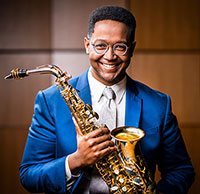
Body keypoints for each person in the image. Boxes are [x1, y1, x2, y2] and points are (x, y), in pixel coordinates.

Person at [19, 5, 195, 194]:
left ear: (132, 49)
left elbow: (181, 170)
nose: (110, 56)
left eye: (120, 47)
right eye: (101, 45)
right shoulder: (50, 100)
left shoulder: (159, 104)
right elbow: (29, 175)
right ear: (87, 46)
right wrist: (77, 160)